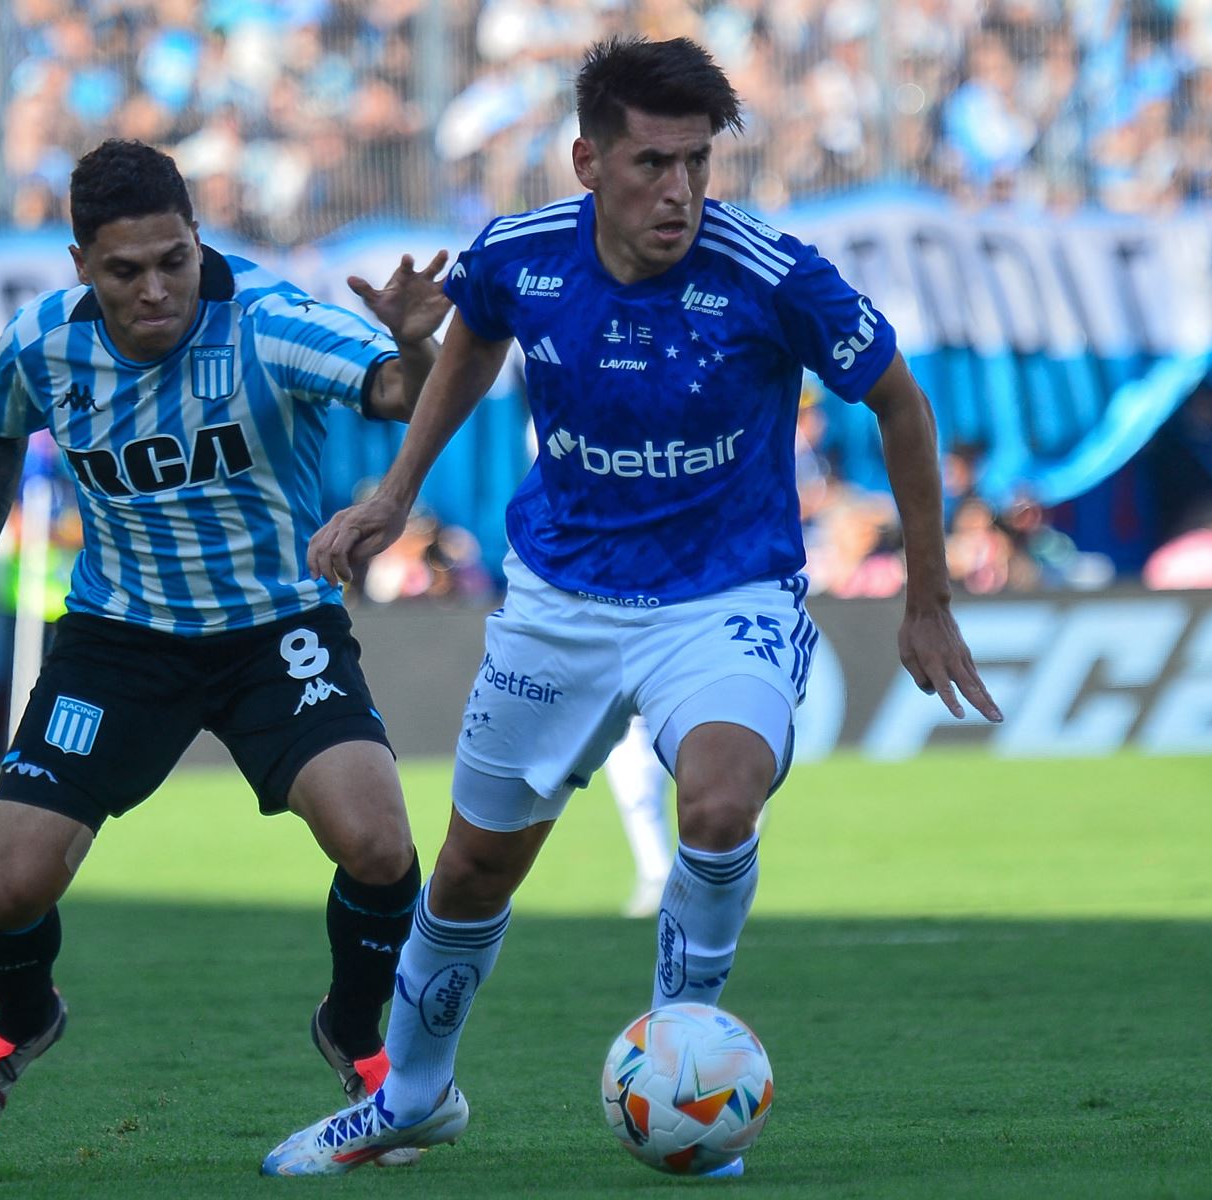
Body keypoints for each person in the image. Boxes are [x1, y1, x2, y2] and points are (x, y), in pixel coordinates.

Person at [263, 37, 999, 1176]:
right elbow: (472, 335)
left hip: (726, 596)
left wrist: (928, 600)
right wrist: (396, 493)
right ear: (587, 161)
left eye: (699, 163)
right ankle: (410, 1096)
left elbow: (901, 404)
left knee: (715, 803)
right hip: (560, 601)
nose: (681, 192)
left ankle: (683, 1067)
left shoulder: (773, 275)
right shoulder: (521, 254)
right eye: (653, 163)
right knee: (469, 871)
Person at [0, 139, 451, 1151]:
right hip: (120, 640)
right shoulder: (42, 343)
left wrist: (413, 346)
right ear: (79, 266)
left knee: (379, 843)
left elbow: (404, 394)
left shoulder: (271, 322)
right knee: (6, 890)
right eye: (125, 271)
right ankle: (21, 1023)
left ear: (198, 242)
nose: (155, 290)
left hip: (275, 627)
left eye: (173, 261)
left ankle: (355, 1036)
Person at [605, 715, 673, 918]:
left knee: (641, 799)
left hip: (671, 704)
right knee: (635, 798)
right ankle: (656, 876)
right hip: (621, 713)